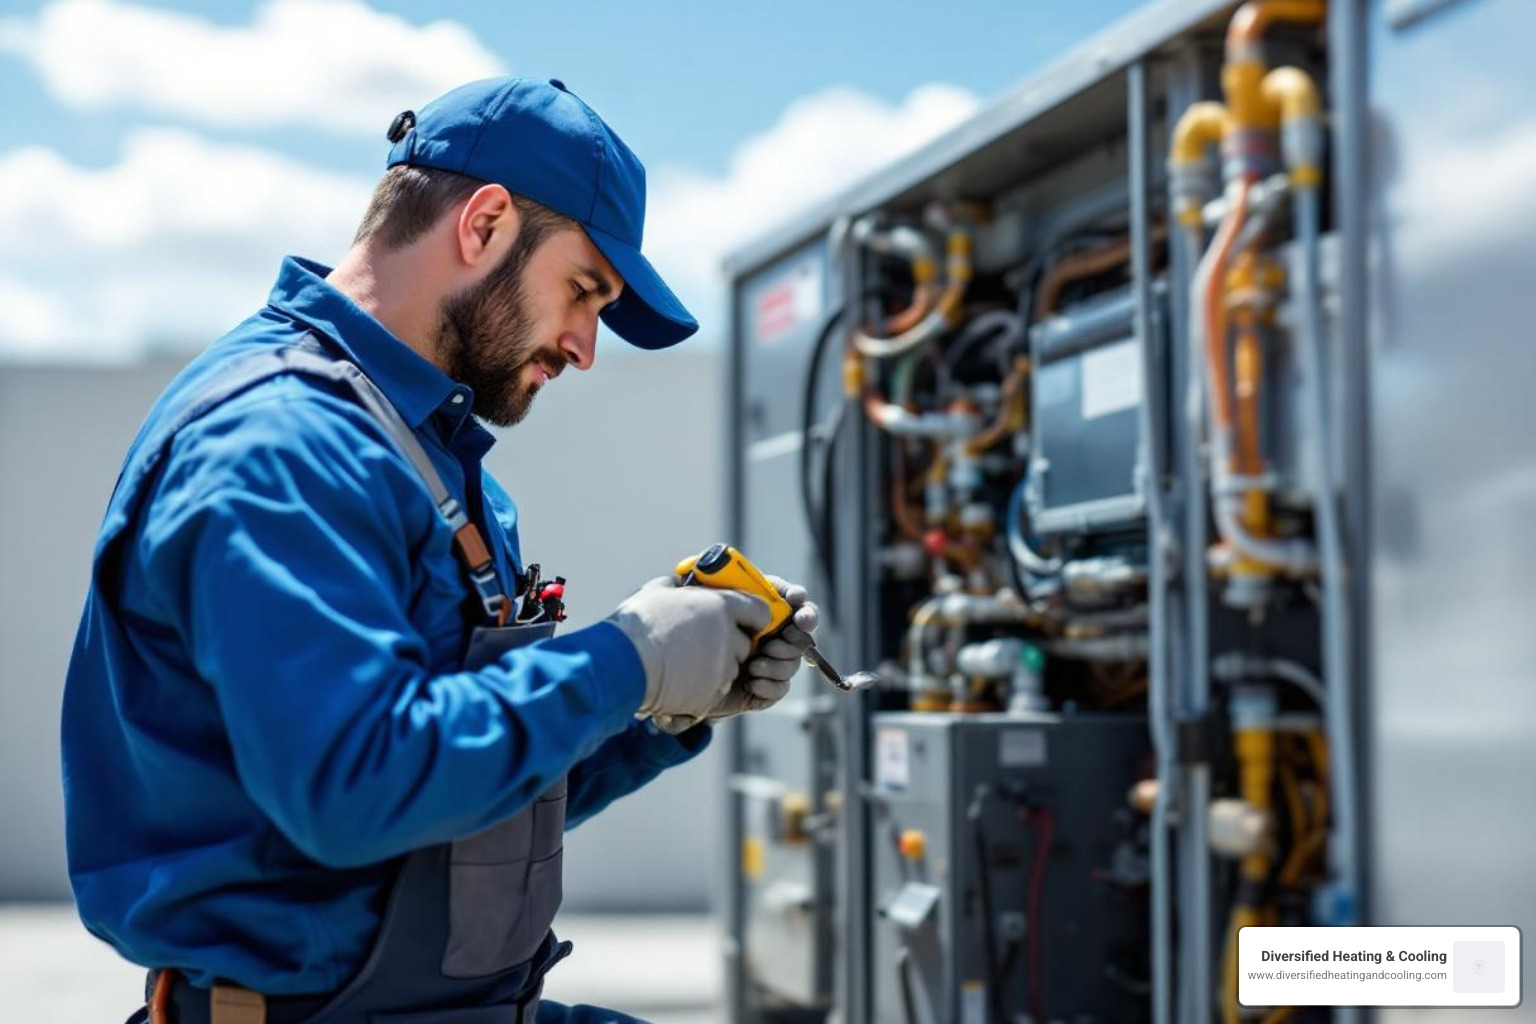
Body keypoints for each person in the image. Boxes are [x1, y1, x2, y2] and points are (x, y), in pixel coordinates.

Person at [61, 76, 819, 1024]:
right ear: (485, 222)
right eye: (583, 292)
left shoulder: (419, 452)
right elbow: (360, 787)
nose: (585, 346)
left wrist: (661, 709)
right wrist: (629, 656)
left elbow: (454, 813)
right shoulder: (283, 447)